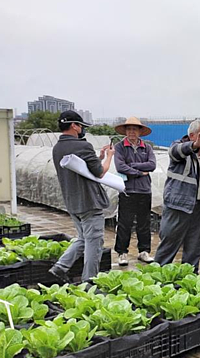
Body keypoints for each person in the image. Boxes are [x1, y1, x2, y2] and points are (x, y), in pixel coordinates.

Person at [49, 110, 113, 283]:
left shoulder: (57, 148)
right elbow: (99, 173)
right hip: (89, 203)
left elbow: (83, 169)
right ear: (73, 125)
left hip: (72, 203)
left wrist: (97, 157)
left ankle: (60, 267)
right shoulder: (82, 146)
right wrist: (109, 157)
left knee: (83, 239)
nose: (82, 129)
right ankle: (89, 281)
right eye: (81, 126)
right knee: (94, 243)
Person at [154, 119, 200, 271]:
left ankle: (188, 281)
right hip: (178, 206)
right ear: (193, 135)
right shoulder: (180, 148)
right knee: (169, 245)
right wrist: (195, 145)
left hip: (199, 206)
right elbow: (175, 152)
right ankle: (158, 282)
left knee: (194, 248)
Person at [113, 117, 157, 266]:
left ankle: (144, 251)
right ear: (125, 131)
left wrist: (132, 165)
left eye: (134, 129)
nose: (131, 132)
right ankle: (122, 252)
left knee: (144, 222)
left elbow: (152, 165)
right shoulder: (119, 147)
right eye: (129, 129)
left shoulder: (147, 147)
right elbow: (120, 167)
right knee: (125, 222)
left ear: (140, 132)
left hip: (144, 190)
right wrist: (138, 172)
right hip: (127, 190)